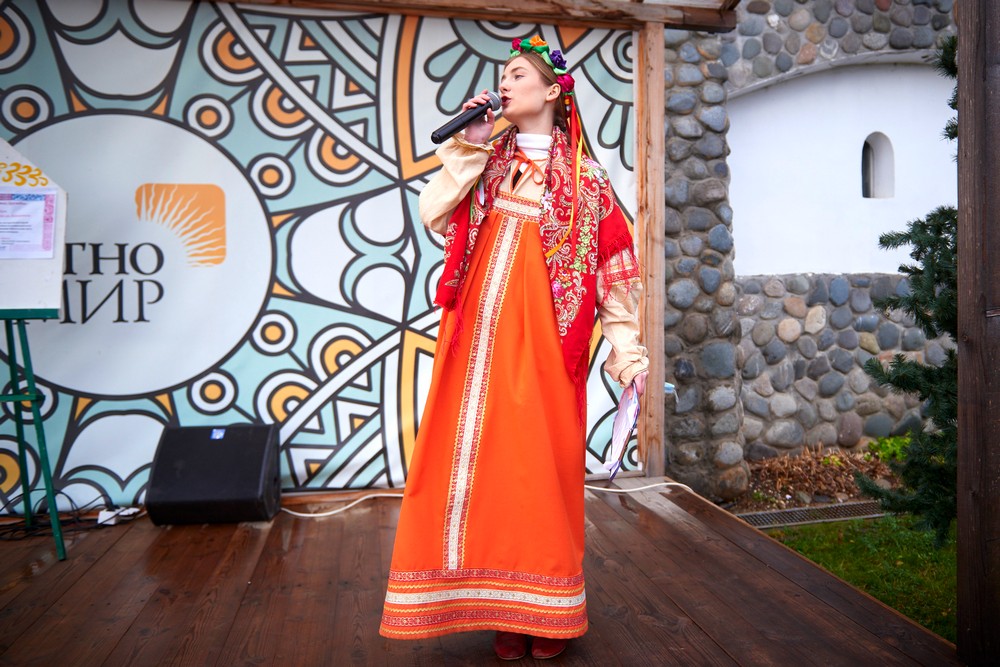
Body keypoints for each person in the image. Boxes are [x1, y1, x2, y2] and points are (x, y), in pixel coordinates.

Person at [379, 36, 649, 660]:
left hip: (547, 342)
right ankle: (501, 606)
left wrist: (627, 354)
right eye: (502, 75)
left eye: (518, 74)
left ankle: (544, 609)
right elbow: (436, 215)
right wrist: (468, 147)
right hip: (475, 339)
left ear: (552, 90)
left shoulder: (587, 181)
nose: (504, 84)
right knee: (477, 467)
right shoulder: (485, 159)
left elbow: (613, 276)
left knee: (539, 470)